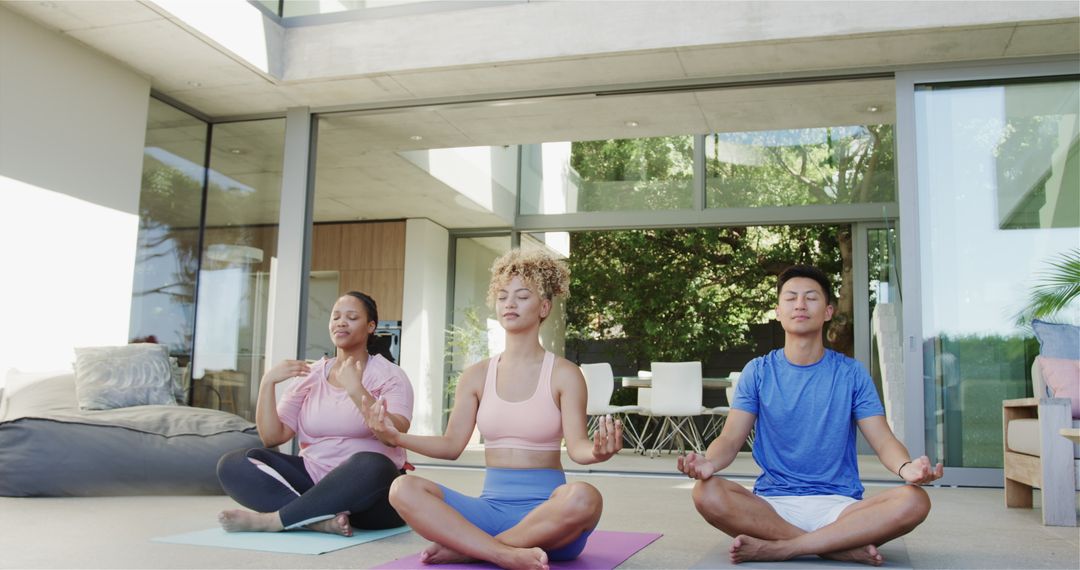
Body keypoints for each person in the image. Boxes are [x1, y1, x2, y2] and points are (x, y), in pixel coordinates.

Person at [361, 248, 622, 570]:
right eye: (502, 296)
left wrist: (598, 452)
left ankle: (473, 549)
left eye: (522, 296)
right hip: (489, 512)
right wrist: (395, 437)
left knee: (585, 496)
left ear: (544, 307)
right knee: (403, 488)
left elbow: (579, 448)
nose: (509, 303)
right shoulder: (476, 375)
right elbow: (451, 445)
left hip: (551, 519)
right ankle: (502, 552)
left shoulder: (564, 373)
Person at [677, 265, 943, 566]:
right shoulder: (759, 371)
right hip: (773, 505)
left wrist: (907, 468)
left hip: (841, 507)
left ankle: (783, 547)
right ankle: (833, 546)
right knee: (706, 493)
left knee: (914, 501)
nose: (800, 304)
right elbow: (730, 438)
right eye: (791, 298)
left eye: (811, 298)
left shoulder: (851, 373)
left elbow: (882, 440)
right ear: (778, 311)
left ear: (828, 311)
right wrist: (709, 463)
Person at [215, 291, 414, 536]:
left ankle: (274, 520)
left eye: (351, 317)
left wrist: (355, 388)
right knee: (233, 464)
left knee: (374, 464)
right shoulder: (311, 374)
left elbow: (396, 433)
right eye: (336, 317)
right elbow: (272, 437)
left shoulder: (389, 374)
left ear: (371, 326)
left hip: (371, 495)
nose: (341, 322)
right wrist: (267, 383)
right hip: (313, 479)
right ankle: (313, 519)